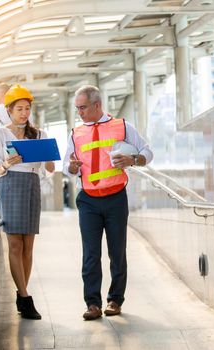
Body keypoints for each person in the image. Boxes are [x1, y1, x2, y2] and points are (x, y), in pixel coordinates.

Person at [63, 85, 153, 320]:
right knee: (90, 254)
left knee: (117, 251)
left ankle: (115, 300)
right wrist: (71, 168)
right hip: (88, 201)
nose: (79, 112)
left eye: (83, 107)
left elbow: (147, 152)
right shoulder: (75, 133)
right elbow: (67, 167)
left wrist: (132, 159)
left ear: (97, 105)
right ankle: (93, 304)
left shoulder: (122, 126)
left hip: (115, 199)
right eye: (77, 108)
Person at [0, 84, 55, 319]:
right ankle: (26, 298)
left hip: (31, 186)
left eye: (27, 108)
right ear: (9, 110)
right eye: (19, 109)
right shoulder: (0, 134)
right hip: (10, 185)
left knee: (28, 247)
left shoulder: (39, 134)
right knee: (15, 245)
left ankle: (21, 293)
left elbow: (49, 168)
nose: (24, 113)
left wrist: (48, 156)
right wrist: (8, 163)